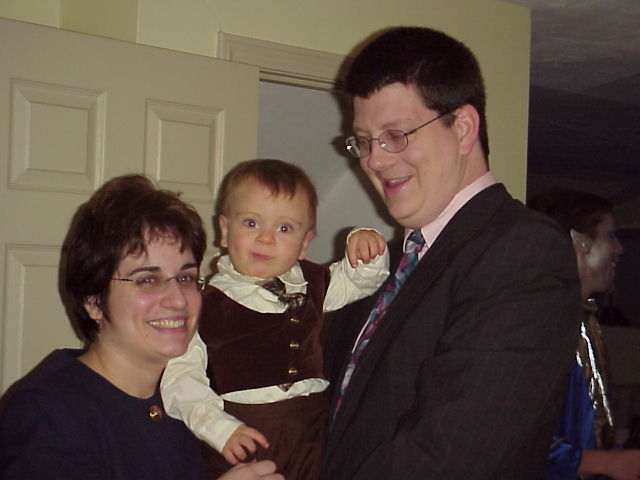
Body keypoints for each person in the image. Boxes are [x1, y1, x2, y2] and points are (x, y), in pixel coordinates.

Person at [320, 26, 583, 480]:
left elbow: (451, 455)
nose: (374, 160)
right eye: (363, 141)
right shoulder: (380, 263)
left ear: (462, 129)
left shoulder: (522, 251)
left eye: (395, 135)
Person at [0, 174, 283, 480]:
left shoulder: (193, 395)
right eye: (148, 280)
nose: (178, 300)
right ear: (94, 301)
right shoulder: (48, 414)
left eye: (186, 277)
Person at [160, 159, 389, 479]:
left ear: (304, 243)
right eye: (251, 223)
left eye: (284, 228)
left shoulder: (313, 283)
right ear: (225, 230)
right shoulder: (205, 304)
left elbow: (360, 281)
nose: (266, 238)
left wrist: (368, 248)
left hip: (313, 429)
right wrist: (219, 429)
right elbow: (181, 378)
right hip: (245, 435)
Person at [530, 188, 640, 480]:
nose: (619, 248)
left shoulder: (581, 320)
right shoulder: (538, 322)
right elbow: (515, 434)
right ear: (579, 241)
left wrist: (607, 440)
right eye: (610, 236)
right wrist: (605, 463)